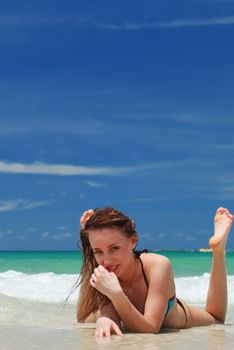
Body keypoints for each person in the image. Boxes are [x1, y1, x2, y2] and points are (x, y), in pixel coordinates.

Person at [76, 206, 233, 337]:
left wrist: (117, 295)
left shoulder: (158, 265)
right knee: (85, 319)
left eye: (114, 248)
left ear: (132, 241)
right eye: (98, 251)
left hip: (175, 318)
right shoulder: (103, 270)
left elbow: (150, 329)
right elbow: (84, 316)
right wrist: (105, 318)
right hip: (126, 312)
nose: (107, 260)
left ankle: (218, 249)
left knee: (216, 319)